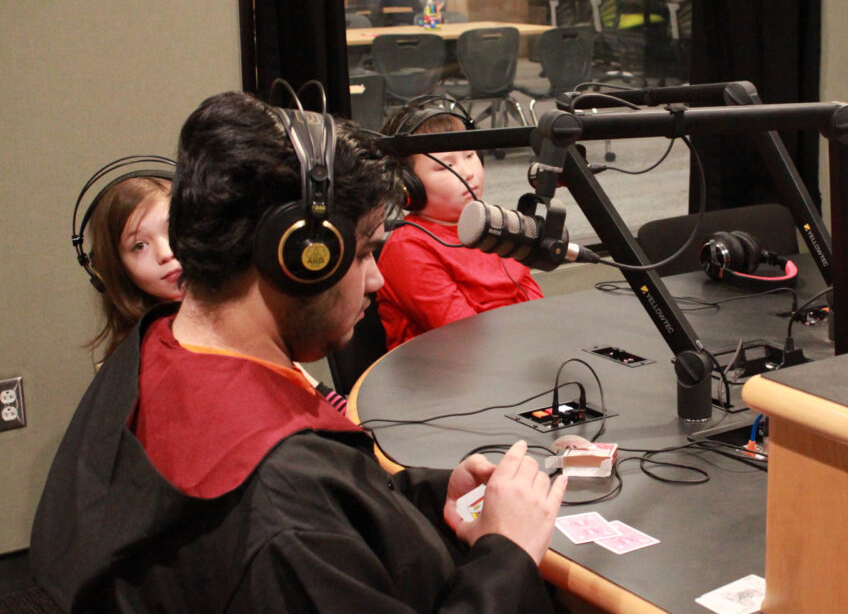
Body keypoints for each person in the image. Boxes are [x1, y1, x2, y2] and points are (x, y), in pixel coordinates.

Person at [31, 91, 566, 611]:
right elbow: (303, 521)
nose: (377, 280)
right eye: (364, 253)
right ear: (298, 259)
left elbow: (333, 516)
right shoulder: (284, 513)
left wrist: (425, 494)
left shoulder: (159, 347)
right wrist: (508, 555)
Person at [375, 103, 544, 349]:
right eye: (446, 166)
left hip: (514, 355)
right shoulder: (408, 248)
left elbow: (538, 311)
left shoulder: (496, 223)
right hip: (451, 367)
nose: (467, 172)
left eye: (470, 155)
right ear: (407, 184)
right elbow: (467, 338)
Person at [76, 170, 183, 360]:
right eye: (139, 246)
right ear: (119, 268)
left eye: (175, 229)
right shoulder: (141, 357)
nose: (166, 253)